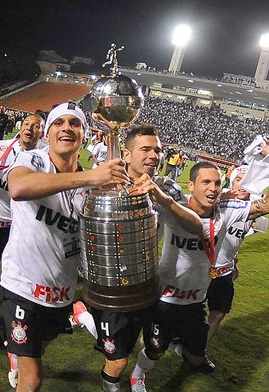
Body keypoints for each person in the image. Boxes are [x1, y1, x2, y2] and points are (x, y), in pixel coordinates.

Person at [0, 102, 129, 391]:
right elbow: (18, 188)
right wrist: (91, 178)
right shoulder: (33, 160)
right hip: (22, 287)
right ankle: (19, 352)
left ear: (84, 134)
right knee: (31, 381)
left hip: (60, 295)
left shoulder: (91, 187)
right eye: (59, 123)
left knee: (39, 348)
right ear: (48, 133)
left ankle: (17, 351)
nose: (66, 128)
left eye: (74, 123)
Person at [130, 160, 269, 391]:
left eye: (216, 183)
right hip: (166, 297)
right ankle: (137, 376)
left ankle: (182, 346)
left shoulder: (229, 210)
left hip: (195, 301)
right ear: (191, 185)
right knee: (155, 349)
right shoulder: (173, 205)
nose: (212, 188)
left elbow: (264, 207)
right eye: (205, 182)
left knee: (196, 355)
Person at [91, 124, 203, 392]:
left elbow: (195, 227)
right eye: (145, 149)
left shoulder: (167, 187)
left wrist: (164, 200)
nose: (154, 155)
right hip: (112, 288)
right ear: (127, 156)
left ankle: (137, 374)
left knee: (155, 346)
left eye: (158, 150)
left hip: (149, 285)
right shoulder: (104, 184)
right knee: (117, 361)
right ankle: (111, 384)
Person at [0, 113, 45, 284]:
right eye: (26, 123)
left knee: (17, 264)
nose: (29, 128)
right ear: (21, 127)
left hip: (21, 220)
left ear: (41, 132)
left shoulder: (44, 156)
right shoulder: (0, 147)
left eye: (36, 126)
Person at [206, 163, 264, 343]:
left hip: (225, 272)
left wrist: (235, 263)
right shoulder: (218, 204)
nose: (244, 185)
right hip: (203, 270)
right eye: (239, 180)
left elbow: (236, 241)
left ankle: (199, 350)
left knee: (218, 313)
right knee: (189, 311)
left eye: (249, 181)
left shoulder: (251, 213)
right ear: (232, 182)